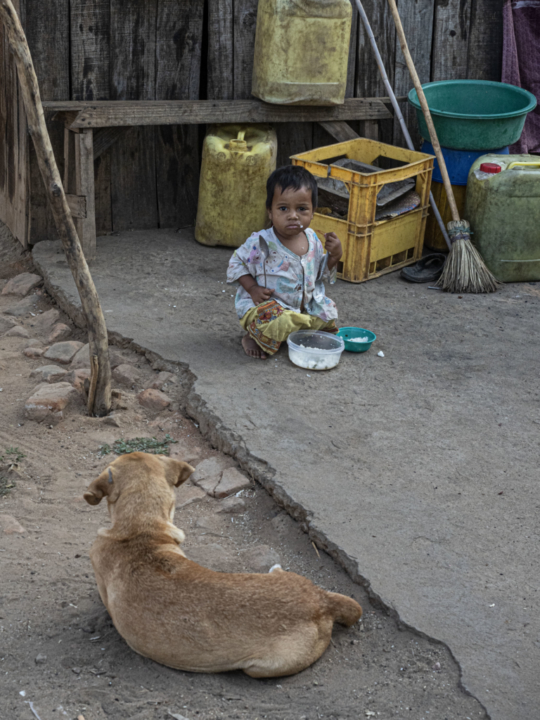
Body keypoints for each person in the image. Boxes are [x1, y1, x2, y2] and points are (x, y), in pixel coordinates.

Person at [227, 165, 343, 359]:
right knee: (277, 322)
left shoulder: (313, 239)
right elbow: (236, 263)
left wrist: (334, 256)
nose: (293, 215)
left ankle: (296, 329)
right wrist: (253, 288)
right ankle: (253, 336)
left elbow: (318, 274)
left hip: (302, 307)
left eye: (302, 209)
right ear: (270, 212)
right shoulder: (261, 241)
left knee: (328, 313)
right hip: (268, 309)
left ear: (313, 212)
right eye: (283, 208)